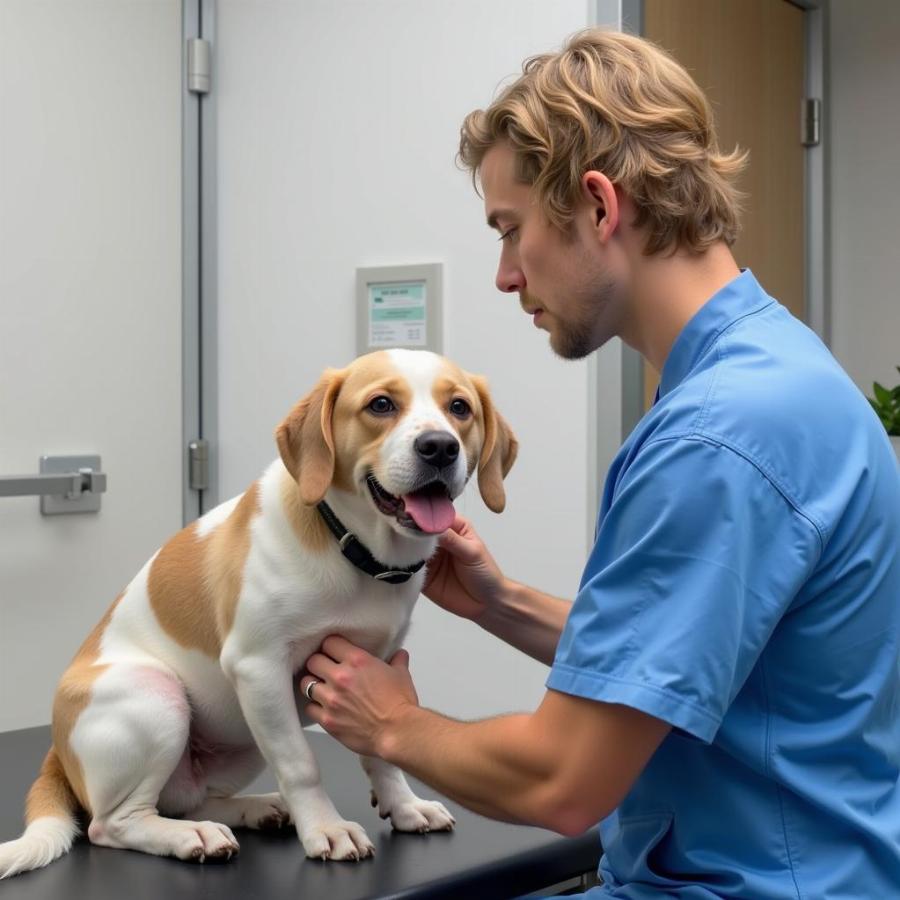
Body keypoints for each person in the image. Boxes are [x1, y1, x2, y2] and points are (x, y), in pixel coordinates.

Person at [300, 27, 900, 898]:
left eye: (512, 231)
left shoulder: (715, 440)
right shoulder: (775, 371)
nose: (507, 275)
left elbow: (563, 781)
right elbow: (688, 661)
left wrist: (393, 725)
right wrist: (500, 605)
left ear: (597, 206)